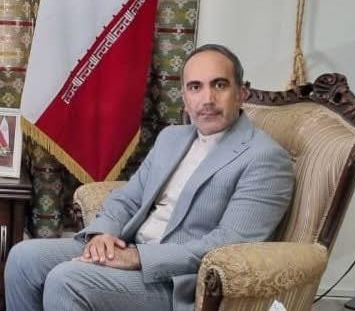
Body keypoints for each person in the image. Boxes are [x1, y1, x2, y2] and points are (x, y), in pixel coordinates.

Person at [5, 43, 294, 311]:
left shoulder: (265, 158)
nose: (207, 99)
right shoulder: (172, 138)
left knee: (67, 280)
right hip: (132, 245)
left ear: (241, 93)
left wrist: (137, 258)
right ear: (185, 99)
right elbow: (129, 198)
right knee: (23, 258)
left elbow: (230, 244)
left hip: (177, 280)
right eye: (195, 87)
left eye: (219, 85)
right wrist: (104, 233)